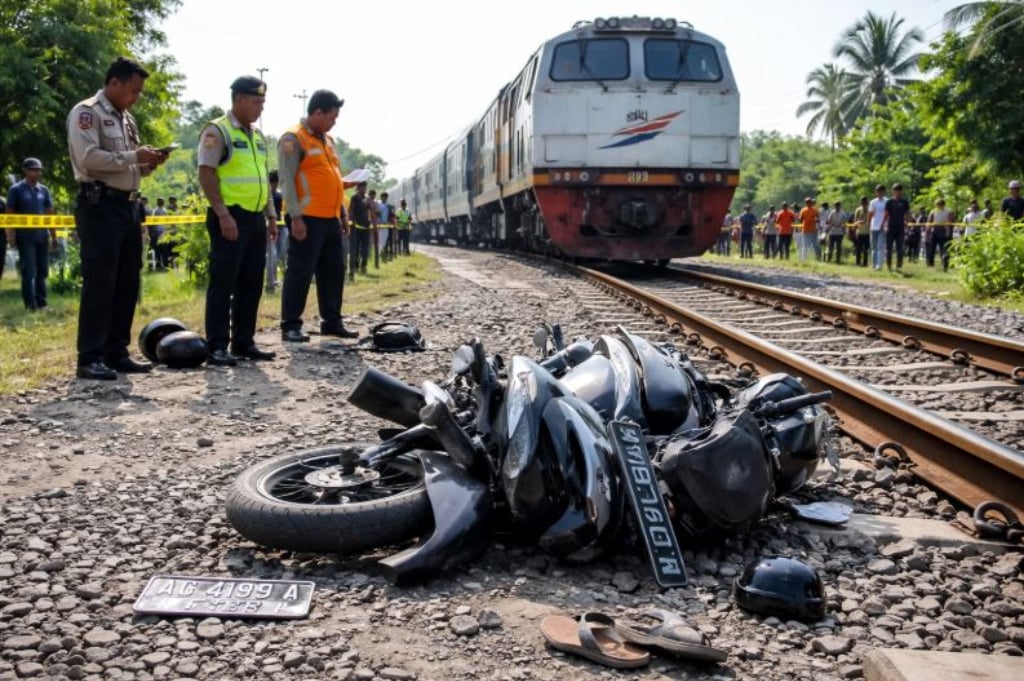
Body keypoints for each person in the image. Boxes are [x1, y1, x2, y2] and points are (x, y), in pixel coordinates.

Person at [67, 56, 169, 380]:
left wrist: (148, 163)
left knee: (128, 279)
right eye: (133, 90)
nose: (136, 96)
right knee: (101, 281)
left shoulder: (127, 119)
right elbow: (89, 159)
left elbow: (129, 164)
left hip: (128, 206)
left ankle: (116, 351)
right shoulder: (87, 112)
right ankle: (90, 357)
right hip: (99, 205)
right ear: (114, 83)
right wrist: (132, 157)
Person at [197, 75, 278, 366]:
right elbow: (206, 173)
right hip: (229, 217)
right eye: (256, 102)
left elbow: (262, 179)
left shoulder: (256, 136)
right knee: (223, 283)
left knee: (251, 283)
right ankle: (217, 345)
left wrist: (271, 216)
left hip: (255, 218)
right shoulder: (218, 131)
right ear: (239, 100)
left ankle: (244, 341)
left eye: (263, 103)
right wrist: (222, 213)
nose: (260, 108)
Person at [278, 89, 358, 343]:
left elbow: (331, 179)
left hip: (330, 218)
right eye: (332, 116)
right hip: (306, 218)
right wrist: (296, 216)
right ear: (317, 112)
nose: (335, 121)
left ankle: (332, 322)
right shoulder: (293, 138)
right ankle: (291, 325)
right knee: (300, 271)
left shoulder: (328, 140)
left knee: (334, 270)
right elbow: (287, 181)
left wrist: (342, 213)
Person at [5, 158, 56, 310]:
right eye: (34, 169)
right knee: (29, 271)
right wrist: (10, 235)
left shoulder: (44, 190)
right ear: (26, 171)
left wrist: (54, 236)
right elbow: (9, 214)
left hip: (42, 236)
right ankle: (30, 305)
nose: (38, 172)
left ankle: (42, 303)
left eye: (39, 170)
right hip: (25, 237)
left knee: (43, 271)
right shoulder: (16, 190)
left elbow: (50, 215)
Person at [882, 183, 911, 271]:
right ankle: (889, 265)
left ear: (901, 191)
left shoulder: (904, 202)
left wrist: (908, 222)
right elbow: (886, 214)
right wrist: (883, 224)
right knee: (889, 248)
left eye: (899, 190)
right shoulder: (889, 202)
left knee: (899, 248)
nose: (897, 192)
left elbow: (907, 214)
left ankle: (899, 266)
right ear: (893, 191)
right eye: (895, 190)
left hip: (900, 227)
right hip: (890, 227)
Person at [265, 170, 283, 292]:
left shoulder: (278, 195)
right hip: (269, 226)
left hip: (278, 225)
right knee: (272, 255)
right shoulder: (273, 195)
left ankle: (273, 281)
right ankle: (270, 284)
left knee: (276, 255)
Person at [349, 181, 371, 275]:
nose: (364, 189)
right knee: (356, 248)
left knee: (365, 248)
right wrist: (351, 224)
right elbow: (351, 211)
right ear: (358, 188)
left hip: (366, 227)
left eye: (365, 187)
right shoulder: (354, 198)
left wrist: (372, 223)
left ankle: (364, 266)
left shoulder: (367, 198)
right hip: (356, 227)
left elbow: (371, 211)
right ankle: (356, 266)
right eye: (362, 187)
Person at [927, 198, 954, 272]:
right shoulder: (933, 211)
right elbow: (929, 221)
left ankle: (944, 262)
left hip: (943, 231)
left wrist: (948, 233)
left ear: (943, 204)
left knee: (944, 249)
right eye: (937, 205)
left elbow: (950, 222)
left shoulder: (949, 211)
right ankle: (931, 263)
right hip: (935, 231)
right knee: (932, 248)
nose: (938, 206)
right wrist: (928, 231)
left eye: (939, 205)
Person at [867, 184, 887, 270]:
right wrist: (869, 224)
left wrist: (884, 224)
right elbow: (870, 214)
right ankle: (874, 264)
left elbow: (887, 214)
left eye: (880, 191)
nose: (879, 193)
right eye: (877, 191)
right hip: (873, 226)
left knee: (880, 247)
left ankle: (879, 265)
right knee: (874, 247)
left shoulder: (887, 201)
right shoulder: (873, 202)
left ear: (883, 192)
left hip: (882, 227)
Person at [797, 198, 818, 262]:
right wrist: (801, 219)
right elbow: (800, 219)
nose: (808, 203)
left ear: (811, 202)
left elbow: (818, 218)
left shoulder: (815, 210)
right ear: (806, 203)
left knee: (815, 245)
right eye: (807, 202)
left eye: (809, 202)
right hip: (806, 230)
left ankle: (818, 258)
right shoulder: (803, 210)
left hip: (813, 230)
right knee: (805, 245)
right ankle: (804, 259)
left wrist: (816, 220)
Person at [852, 196, 870, 267]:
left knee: (866, 249)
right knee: (858, 248)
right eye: (862, 202)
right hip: (859, 232)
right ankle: (858, 262)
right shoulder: (858, 210)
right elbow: (855, 221)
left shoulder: (870, 210)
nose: (864, 204)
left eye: (865, 202)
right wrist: (855, 227)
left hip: (867, 232)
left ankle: (865, 263)